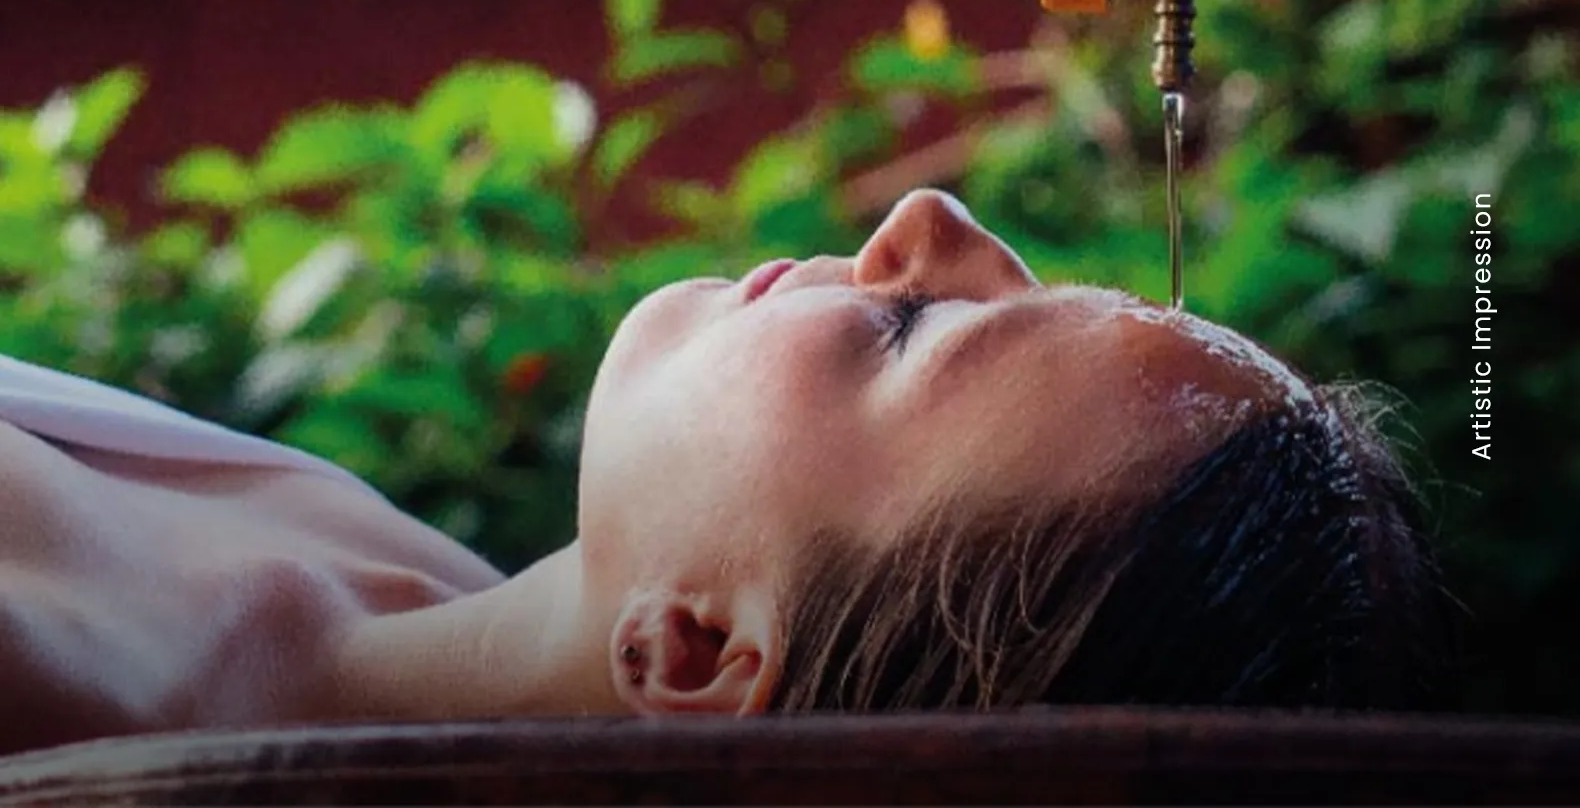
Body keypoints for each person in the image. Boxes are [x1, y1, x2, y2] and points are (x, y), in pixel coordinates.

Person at [0, 189, 1458, 758]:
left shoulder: (57, 676)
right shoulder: (399, 593)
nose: (924, 217)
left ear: (697, 647)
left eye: (912, 330)